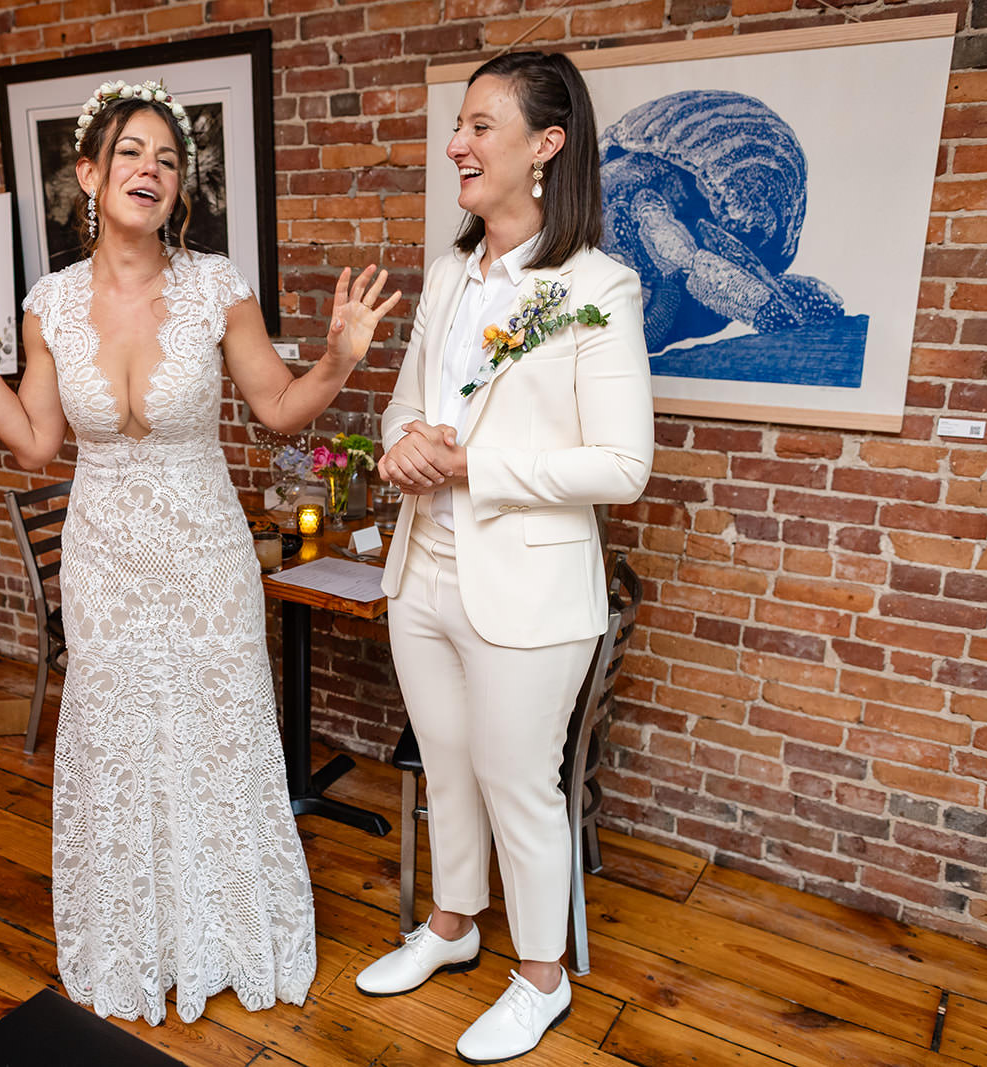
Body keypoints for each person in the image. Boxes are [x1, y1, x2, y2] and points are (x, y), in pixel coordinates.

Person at [0, 79, 401, 1025]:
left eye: (167, 158)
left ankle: (229, 933)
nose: (150, 170)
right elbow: (35, 444)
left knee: (217, 736)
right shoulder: (49, 305)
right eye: (131, 154)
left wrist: (340, 358)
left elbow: (279, 410)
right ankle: (136, 941)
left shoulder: (216, 287)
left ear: (178, 186)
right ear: (88, 175)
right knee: (117, 742)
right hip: (104, 561)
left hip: (203, 556)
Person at [357, 51, 653, 1063]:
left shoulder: (598, 286)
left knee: (517, 781)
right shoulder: (449, 274)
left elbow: (622, 464)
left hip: (527, 585)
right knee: (446, 764)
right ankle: (451, 925)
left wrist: (470, 463)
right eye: (459, 125)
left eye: (480, 126)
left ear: (546, 145)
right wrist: (404, 444)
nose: (456, 144)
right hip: (421, 571)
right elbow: (406, 404)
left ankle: (541, 977)